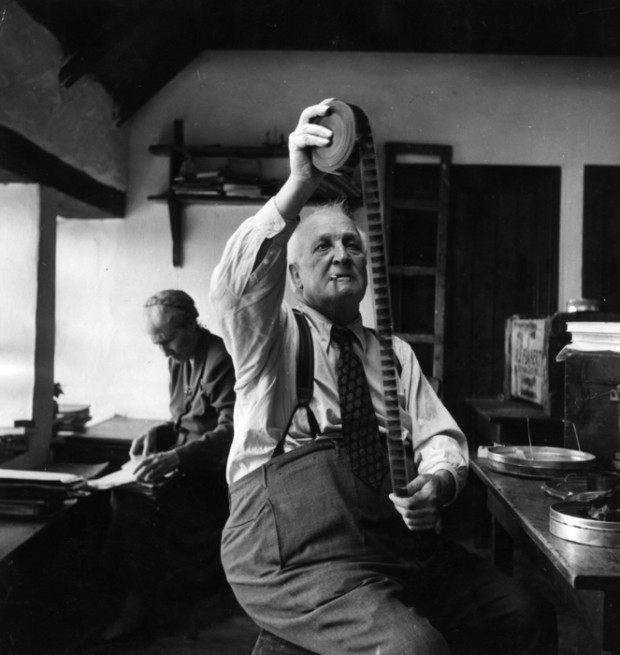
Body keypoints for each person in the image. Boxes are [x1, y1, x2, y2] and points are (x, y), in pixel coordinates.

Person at [209, 100, 557, 655]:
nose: (342, 255)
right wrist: (298, 184)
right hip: (294, 558)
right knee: (410, 649)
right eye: (322, 246)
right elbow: (235, 289)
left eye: (353, 245)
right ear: (294, 276)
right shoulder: (271, 340)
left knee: (523, 614)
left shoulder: (393, 353)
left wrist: (437, 484)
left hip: (394, 550)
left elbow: (440, 439)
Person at [100, 289, 235, 642]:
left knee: (131, 505)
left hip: (212, 479)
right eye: (156, 343)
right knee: (117, 493)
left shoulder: (220, 357)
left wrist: (174, 457)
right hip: (184, 468)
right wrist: (157, 431)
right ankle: (135, 601)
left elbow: (232, 429)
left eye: (168, 340)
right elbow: (184, 419)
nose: (163, 351)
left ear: (192, 324)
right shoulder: (177, 358)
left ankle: (140, 608)